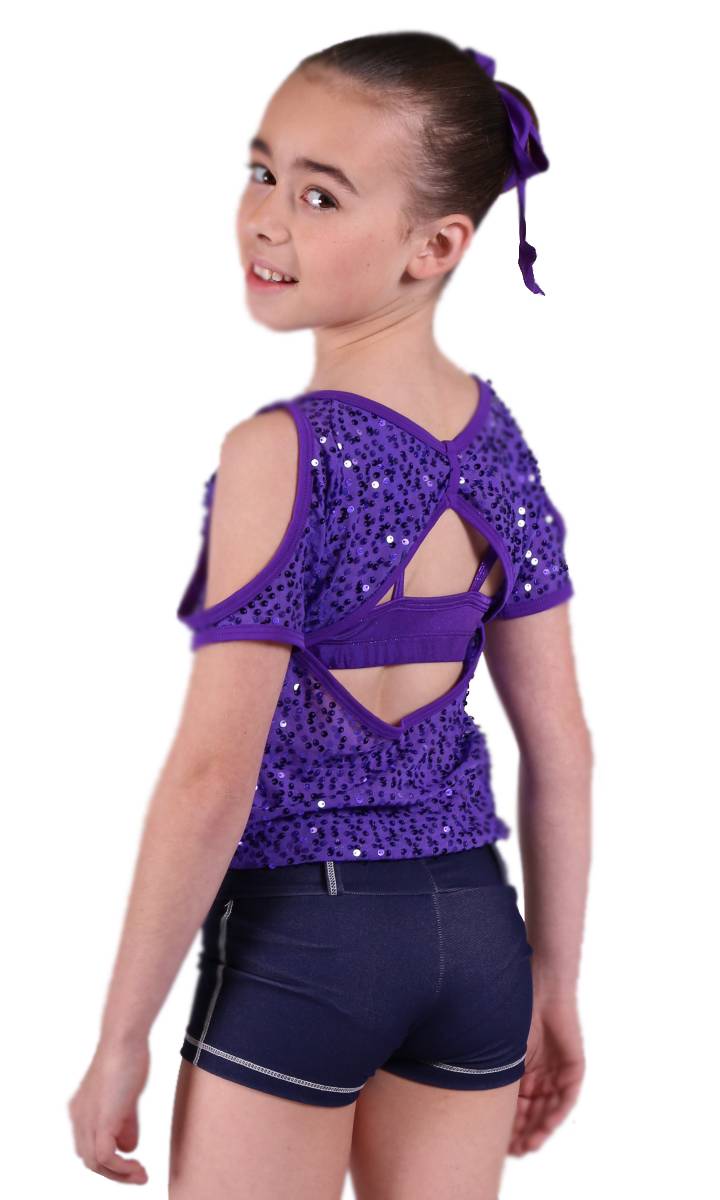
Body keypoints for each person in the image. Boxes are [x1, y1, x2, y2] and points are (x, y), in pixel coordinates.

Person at [68, 30, 592, 1199]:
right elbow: (562, 748)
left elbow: (213, 777)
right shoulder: (500, 447)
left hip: (309, 942)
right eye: (262, 172)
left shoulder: (280, 455)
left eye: (319, 196)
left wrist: (121, 1036)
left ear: (434, 246)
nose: (266, 219)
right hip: (479, 938)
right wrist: (554, 982)